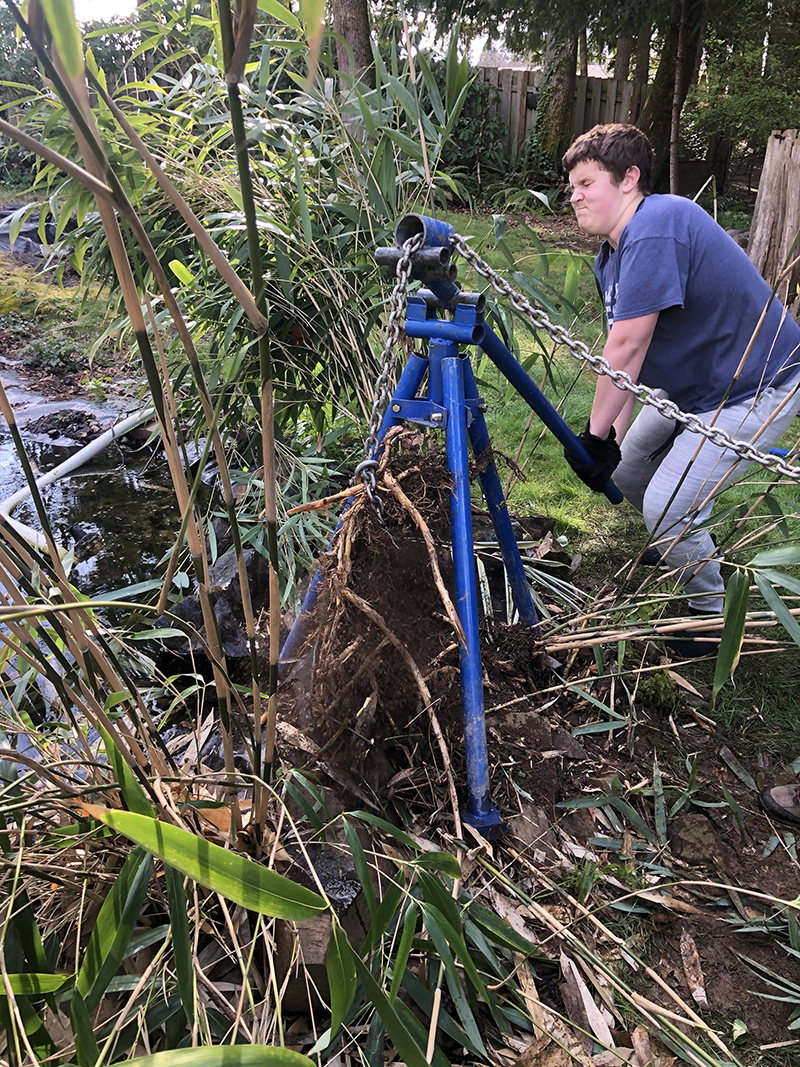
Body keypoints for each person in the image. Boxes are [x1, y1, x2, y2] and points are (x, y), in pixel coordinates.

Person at [561, 123, 800, 825]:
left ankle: (705, 609)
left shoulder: (658, 224)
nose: (573, 197)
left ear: (628, 179)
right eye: (570, 186)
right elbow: (633, 357)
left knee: (664, 505)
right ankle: (683, 541)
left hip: (758, 384)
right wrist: (610, 442)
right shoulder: (617, 252)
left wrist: (595, 433)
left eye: (586, 184)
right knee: (635, 473)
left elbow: (627, 342)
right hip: (694, 388)